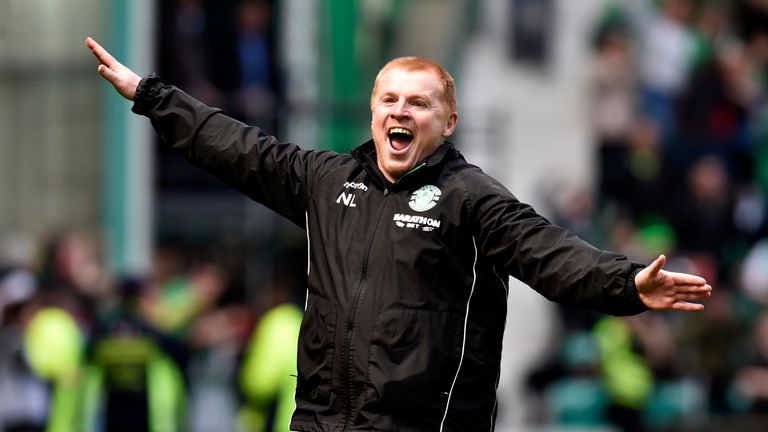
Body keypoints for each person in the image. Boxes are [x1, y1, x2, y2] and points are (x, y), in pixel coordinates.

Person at [85, 37, 712, 431]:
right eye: (389, 99)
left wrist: (626, 283)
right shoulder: (326, 180)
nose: (399, 112)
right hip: (322, 423)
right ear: (373, 110)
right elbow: (237, 147)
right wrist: (150, 95)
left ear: (448, 121)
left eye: (417, 103)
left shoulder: (470, 196)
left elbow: (546, 251)